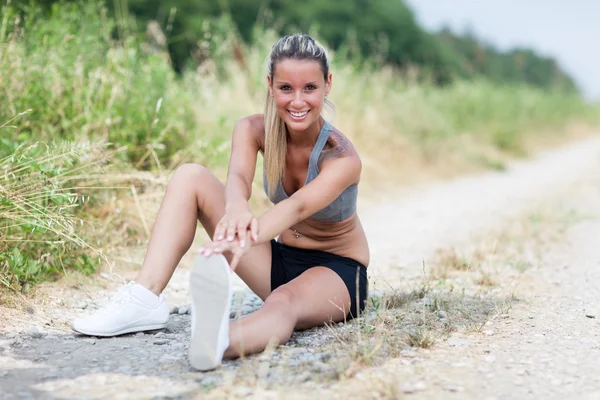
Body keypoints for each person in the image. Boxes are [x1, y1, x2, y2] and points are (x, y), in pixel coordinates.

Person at [71, 33, 370, 371]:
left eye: (310, 88)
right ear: (270, 85)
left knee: (282, 302)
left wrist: (242, 236)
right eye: (286, 88)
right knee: (190, 176)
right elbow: (238, 178)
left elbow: (297, 207)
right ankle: (144, 297)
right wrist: (236, 210)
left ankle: (219, 341)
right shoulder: (252, 128)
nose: (297, 101)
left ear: (327, 84)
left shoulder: (341, 157)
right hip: (279, 261)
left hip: (336, 273)